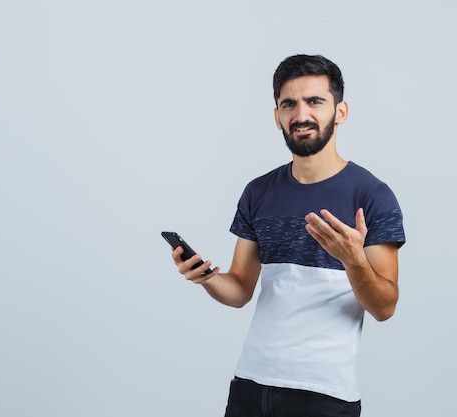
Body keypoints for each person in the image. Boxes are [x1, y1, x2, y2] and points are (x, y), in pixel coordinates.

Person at [169, 54, 406, 417]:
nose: (301, 114)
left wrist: (354, 260)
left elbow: (385, 307)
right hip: (250, 385)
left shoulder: (372, 196)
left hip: (324, 395)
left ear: (340, 112)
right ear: (277, 116)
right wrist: (206, 277)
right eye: (288, 104)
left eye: (315, 101)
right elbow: (240, 290)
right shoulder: (258, 191)